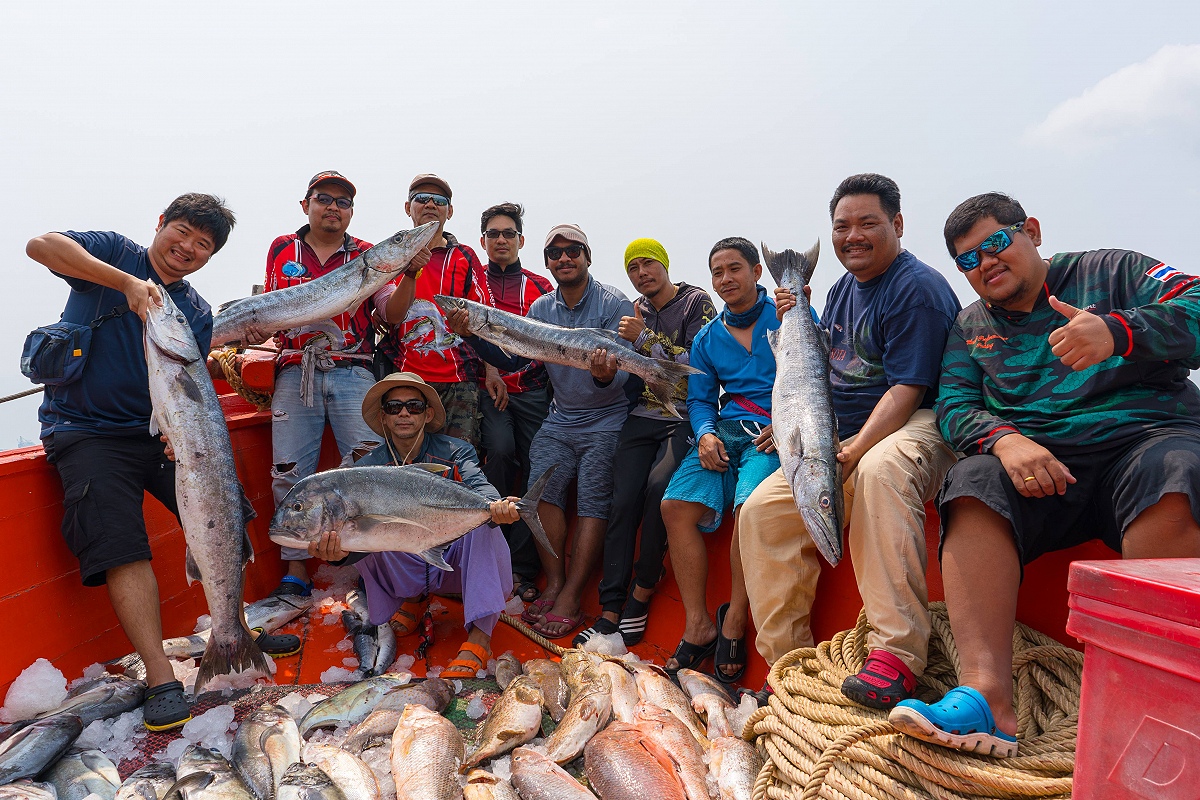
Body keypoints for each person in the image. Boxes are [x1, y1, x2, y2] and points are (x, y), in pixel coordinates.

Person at [889, 192, 1200, 758]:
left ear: (1030, 230)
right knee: (973, 483)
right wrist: (1005, 441)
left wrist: (1117, 331)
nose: (985, 262)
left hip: (1144, 441)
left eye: (996, 243)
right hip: (1044, 466)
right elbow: (956, 405)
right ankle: (987, 701)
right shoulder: (969, 326)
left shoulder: (1112, 270)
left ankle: (1173, 698)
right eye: (968, 259)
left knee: (1173, 473)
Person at [26, 194, 296, 731]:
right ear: (161, 225)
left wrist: (180, 434)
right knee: (122, 546)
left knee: (228, 510)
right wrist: (126, 284)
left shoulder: (193, 309)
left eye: (204, 245)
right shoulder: (116, 256)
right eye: (184, 232)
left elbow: (187, 384)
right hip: (87, 434)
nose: (189, 248)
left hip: (161, 438)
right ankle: (159, 676)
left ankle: (233, 627)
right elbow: (41, 246)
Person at [740, 173, 961, 707]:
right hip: (841, 433)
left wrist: (857, 448)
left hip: (921, 420)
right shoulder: (841, 289)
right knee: (761, 513)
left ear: (898, 224)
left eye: (868, 223)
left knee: (881, 471)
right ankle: (788, 662)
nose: (852, 236)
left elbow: (908, 389)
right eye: (842, 226)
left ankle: (896, 654)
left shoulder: (917, 290)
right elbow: (823, 372)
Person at [445, 223, 634, 639]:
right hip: (560, 418)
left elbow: (627, 377)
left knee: (592, 497)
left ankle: (573, 593)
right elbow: (514, 362)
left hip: (607, 420)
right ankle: (556, 580)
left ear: (587, 256)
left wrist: (603, 377)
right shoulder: (541, 309)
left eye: (572, 251)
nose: (564, 259)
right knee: (540, 490)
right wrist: (470, 334)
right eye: (555, 253)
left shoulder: (615, 303)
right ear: (546, 262)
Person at [259, 171, 429, 598]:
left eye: (343, 202)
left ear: (351, 212)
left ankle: (369, 571)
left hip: (353, 368)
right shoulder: (283, 248)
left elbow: (391, 314)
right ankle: (295, 569)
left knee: (370, 473)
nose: (333, 207)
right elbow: (275, 307)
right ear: (306, 205)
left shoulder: (369, 254)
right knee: (288, 472)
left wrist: (409, 275)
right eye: (324, 198)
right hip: (296, 369)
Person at [305, 373, 521, 678]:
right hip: (406, 562)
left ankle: (479, 637)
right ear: (383, 417)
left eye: (414, 406)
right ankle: (414, 601)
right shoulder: (367, 467)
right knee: (364, 531)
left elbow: (481, 490)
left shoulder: (456, 450)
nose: (404, 413)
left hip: (452, 560)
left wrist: (496, 506)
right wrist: (336, 554)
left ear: (428, 413)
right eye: (394, 407)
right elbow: (355, 544)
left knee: (484, 525)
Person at [574, 237, 716, 647]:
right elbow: (621, 371)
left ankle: (643, 588)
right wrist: (603, 370)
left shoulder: (696, 303)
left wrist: (645, 338)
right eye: (633, 268)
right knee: (621, 500)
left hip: (686, 414)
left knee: (659, 489)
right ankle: (610, 608)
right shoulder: (635, 312)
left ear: (665, 264)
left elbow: (697, 364)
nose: (641, 274)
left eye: (648, 263)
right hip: (639, 415)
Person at [660, 237, 780, 682]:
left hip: (776, 432)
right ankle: (699, 622)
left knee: (749, 509)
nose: (725, 279)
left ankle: (734, 618)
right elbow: (700, 398)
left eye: (734, 269)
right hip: (726, 428)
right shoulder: (707, 338)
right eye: (717, 272)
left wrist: (787, 424)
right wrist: (706, 434)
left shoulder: (788, 318)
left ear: (756, 272)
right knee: (675, 506)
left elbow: (815, 379)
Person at [375, 174, 492, 450]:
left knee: (459, 461)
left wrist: (494, 372)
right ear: (408, 207)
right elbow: (388, 312)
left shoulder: (465, 256)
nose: (430, 204)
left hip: (459, 382)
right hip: (405, 380)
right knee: (403, 463)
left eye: (439, 200)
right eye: (421, 198)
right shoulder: (391, 254)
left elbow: (485, 318)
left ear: (449, 211)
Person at [475, 202, 554, 602]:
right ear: (483, 240)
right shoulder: (472, 285)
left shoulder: (541, 287)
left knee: (536, 467)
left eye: (508, 234)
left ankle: (523, 567)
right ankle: (490, 555)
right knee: (501, 455)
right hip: (490, 391)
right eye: (493, 234)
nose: (501, 240)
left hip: (535, 390)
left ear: (521, 240)